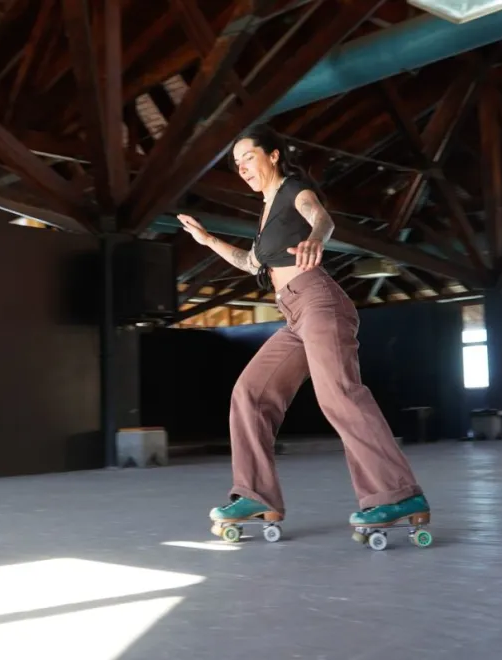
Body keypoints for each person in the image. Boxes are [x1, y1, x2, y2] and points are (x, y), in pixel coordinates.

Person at [176, 124, 429, 532]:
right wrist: (207, 241)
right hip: (294, 314)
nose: (242, 168)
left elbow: (321, 217)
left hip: (318, 301)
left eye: (249, 158)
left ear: (273, 155)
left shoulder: (294, 189)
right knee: (250, 394)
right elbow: (253, 264)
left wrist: (316, 238)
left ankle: (398, 494)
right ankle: (256, 498)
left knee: (339, 395)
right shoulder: (266, 215)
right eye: (237, 164)